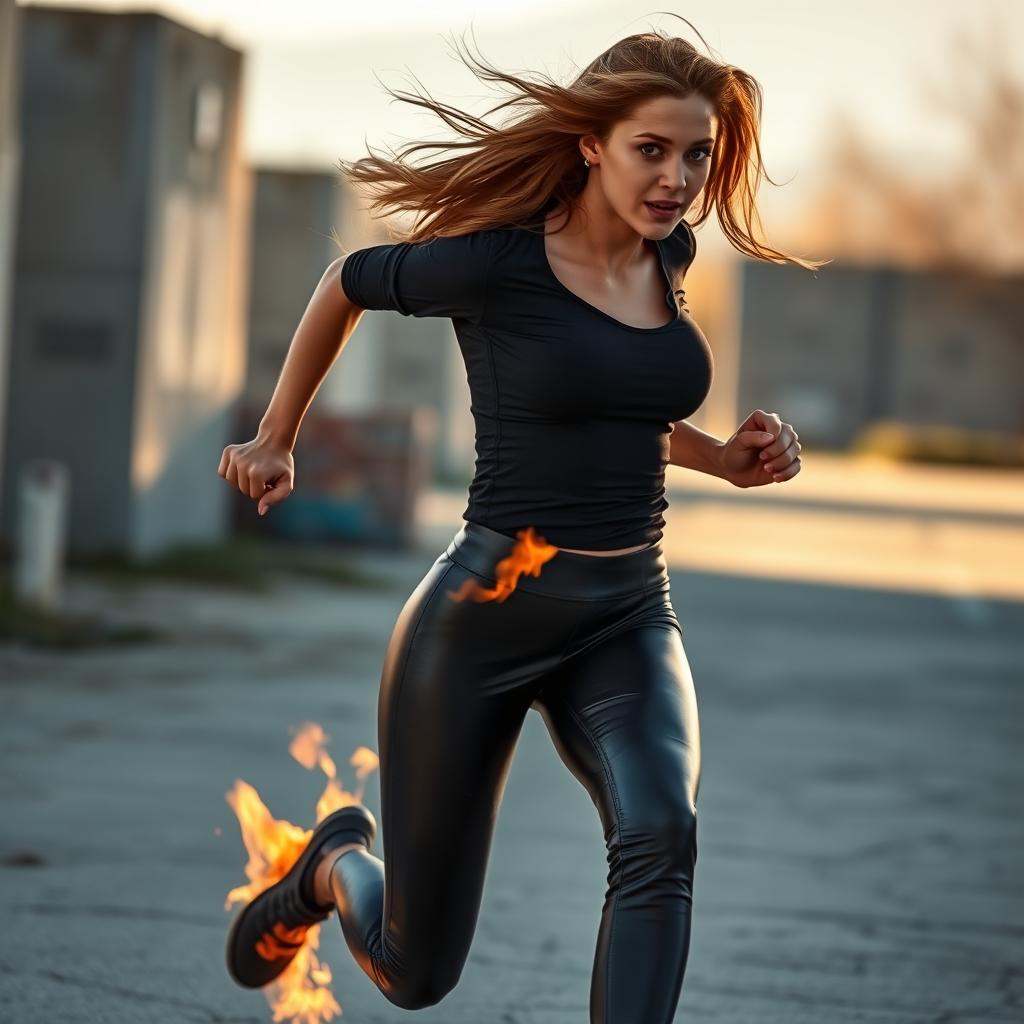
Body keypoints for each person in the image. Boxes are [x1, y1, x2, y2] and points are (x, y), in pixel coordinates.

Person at [219, 21, 815, 1022]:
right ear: (590, 143)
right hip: (481, 620)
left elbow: (618, 406)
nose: (677, 178)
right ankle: (331, 867)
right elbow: (346, 282)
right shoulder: (494, 264)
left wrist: (724, 459)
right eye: (651, 150)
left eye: (696, 155)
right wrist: (277, 436)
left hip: (627, 614)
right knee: (415, 971)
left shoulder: (669, 252)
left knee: (661, 831)